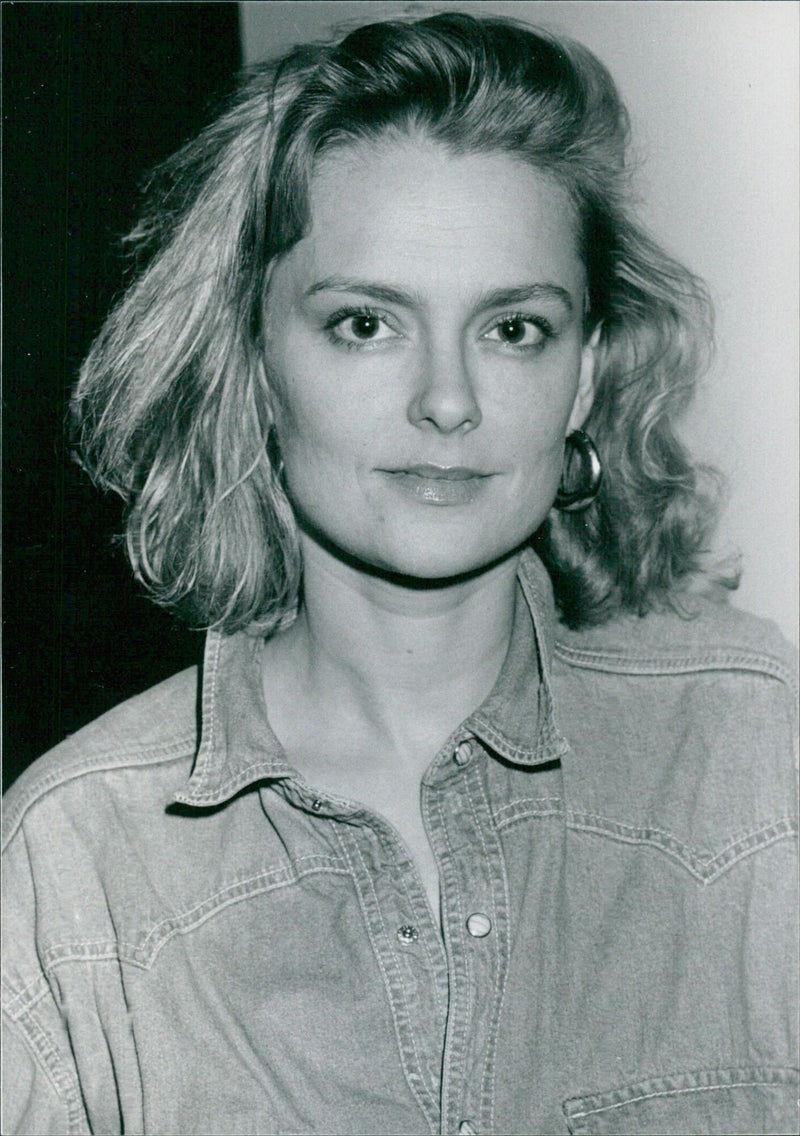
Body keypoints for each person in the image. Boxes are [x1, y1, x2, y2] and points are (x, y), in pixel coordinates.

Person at [2, 12, 797, 1135]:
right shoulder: (77, 859)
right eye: (366, 322)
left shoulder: (755, 743)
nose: (447, 400)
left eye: (513, 328)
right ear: (255, 362)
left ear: (582, 377)